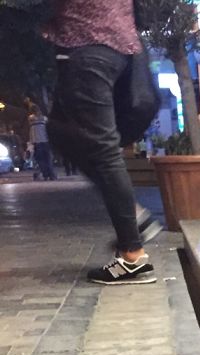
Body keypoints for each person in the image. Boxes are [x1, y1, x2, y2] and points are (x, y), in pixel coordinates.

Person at [45, 0, 160, 285]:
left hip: (88, 44)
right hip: (119, 45)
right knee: (59, 131)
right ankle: (135, 224)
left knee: (104, 150)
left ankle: (132, 256)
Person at [28, 106, 57, 181]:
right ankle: (52, 175)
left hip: (37, 142)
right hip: (45, 141)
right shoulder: (44, 119)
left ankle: (46, 175)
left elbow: (31, 130)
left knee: (41, 160)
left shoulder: (31, 119)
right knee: (48, 159)